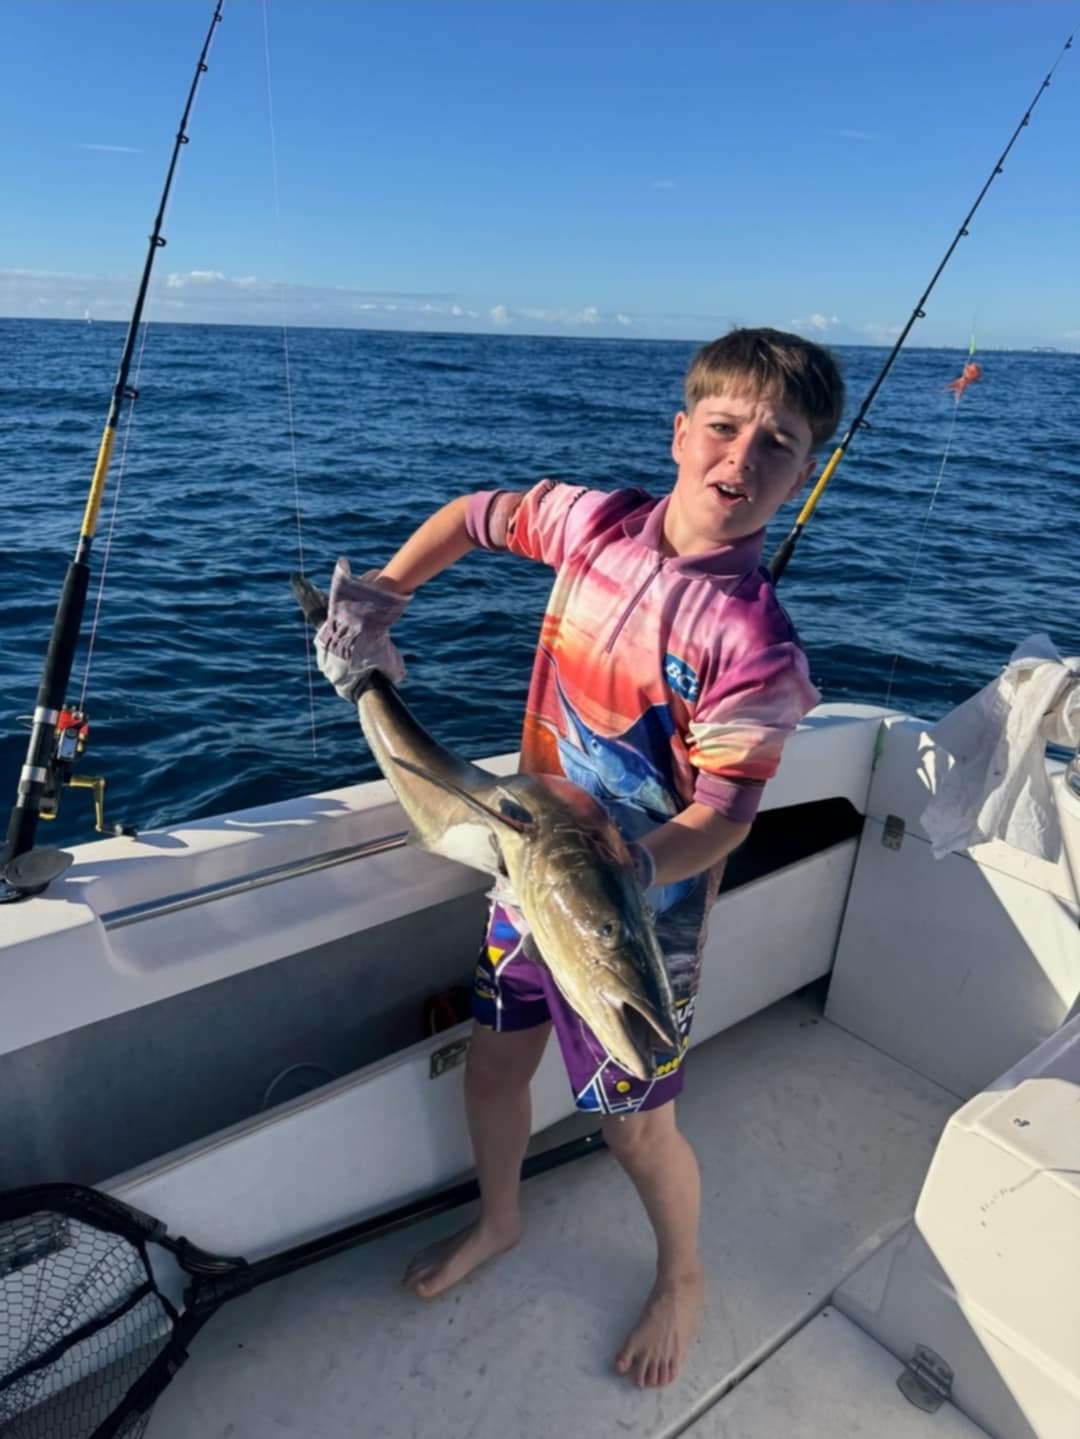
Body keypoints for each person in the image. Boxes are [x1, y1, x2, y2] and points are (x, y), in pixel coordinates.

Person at [314, 327, 845, 1389]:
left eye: (779, 444)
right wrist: (382, 596)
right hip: (527, 879)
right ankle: (500, 1218)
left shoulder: (759, 650)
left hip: (636, 919)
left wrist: (632, 871)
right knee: (493, 1063)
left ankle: (683, 1271)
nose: (742, 458)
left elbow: (724, 818)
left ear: (804, 473)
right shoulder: (595, 522)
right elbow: (475, 515)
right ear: (680, 433)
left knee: (639, 1129)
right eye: (725, 428)